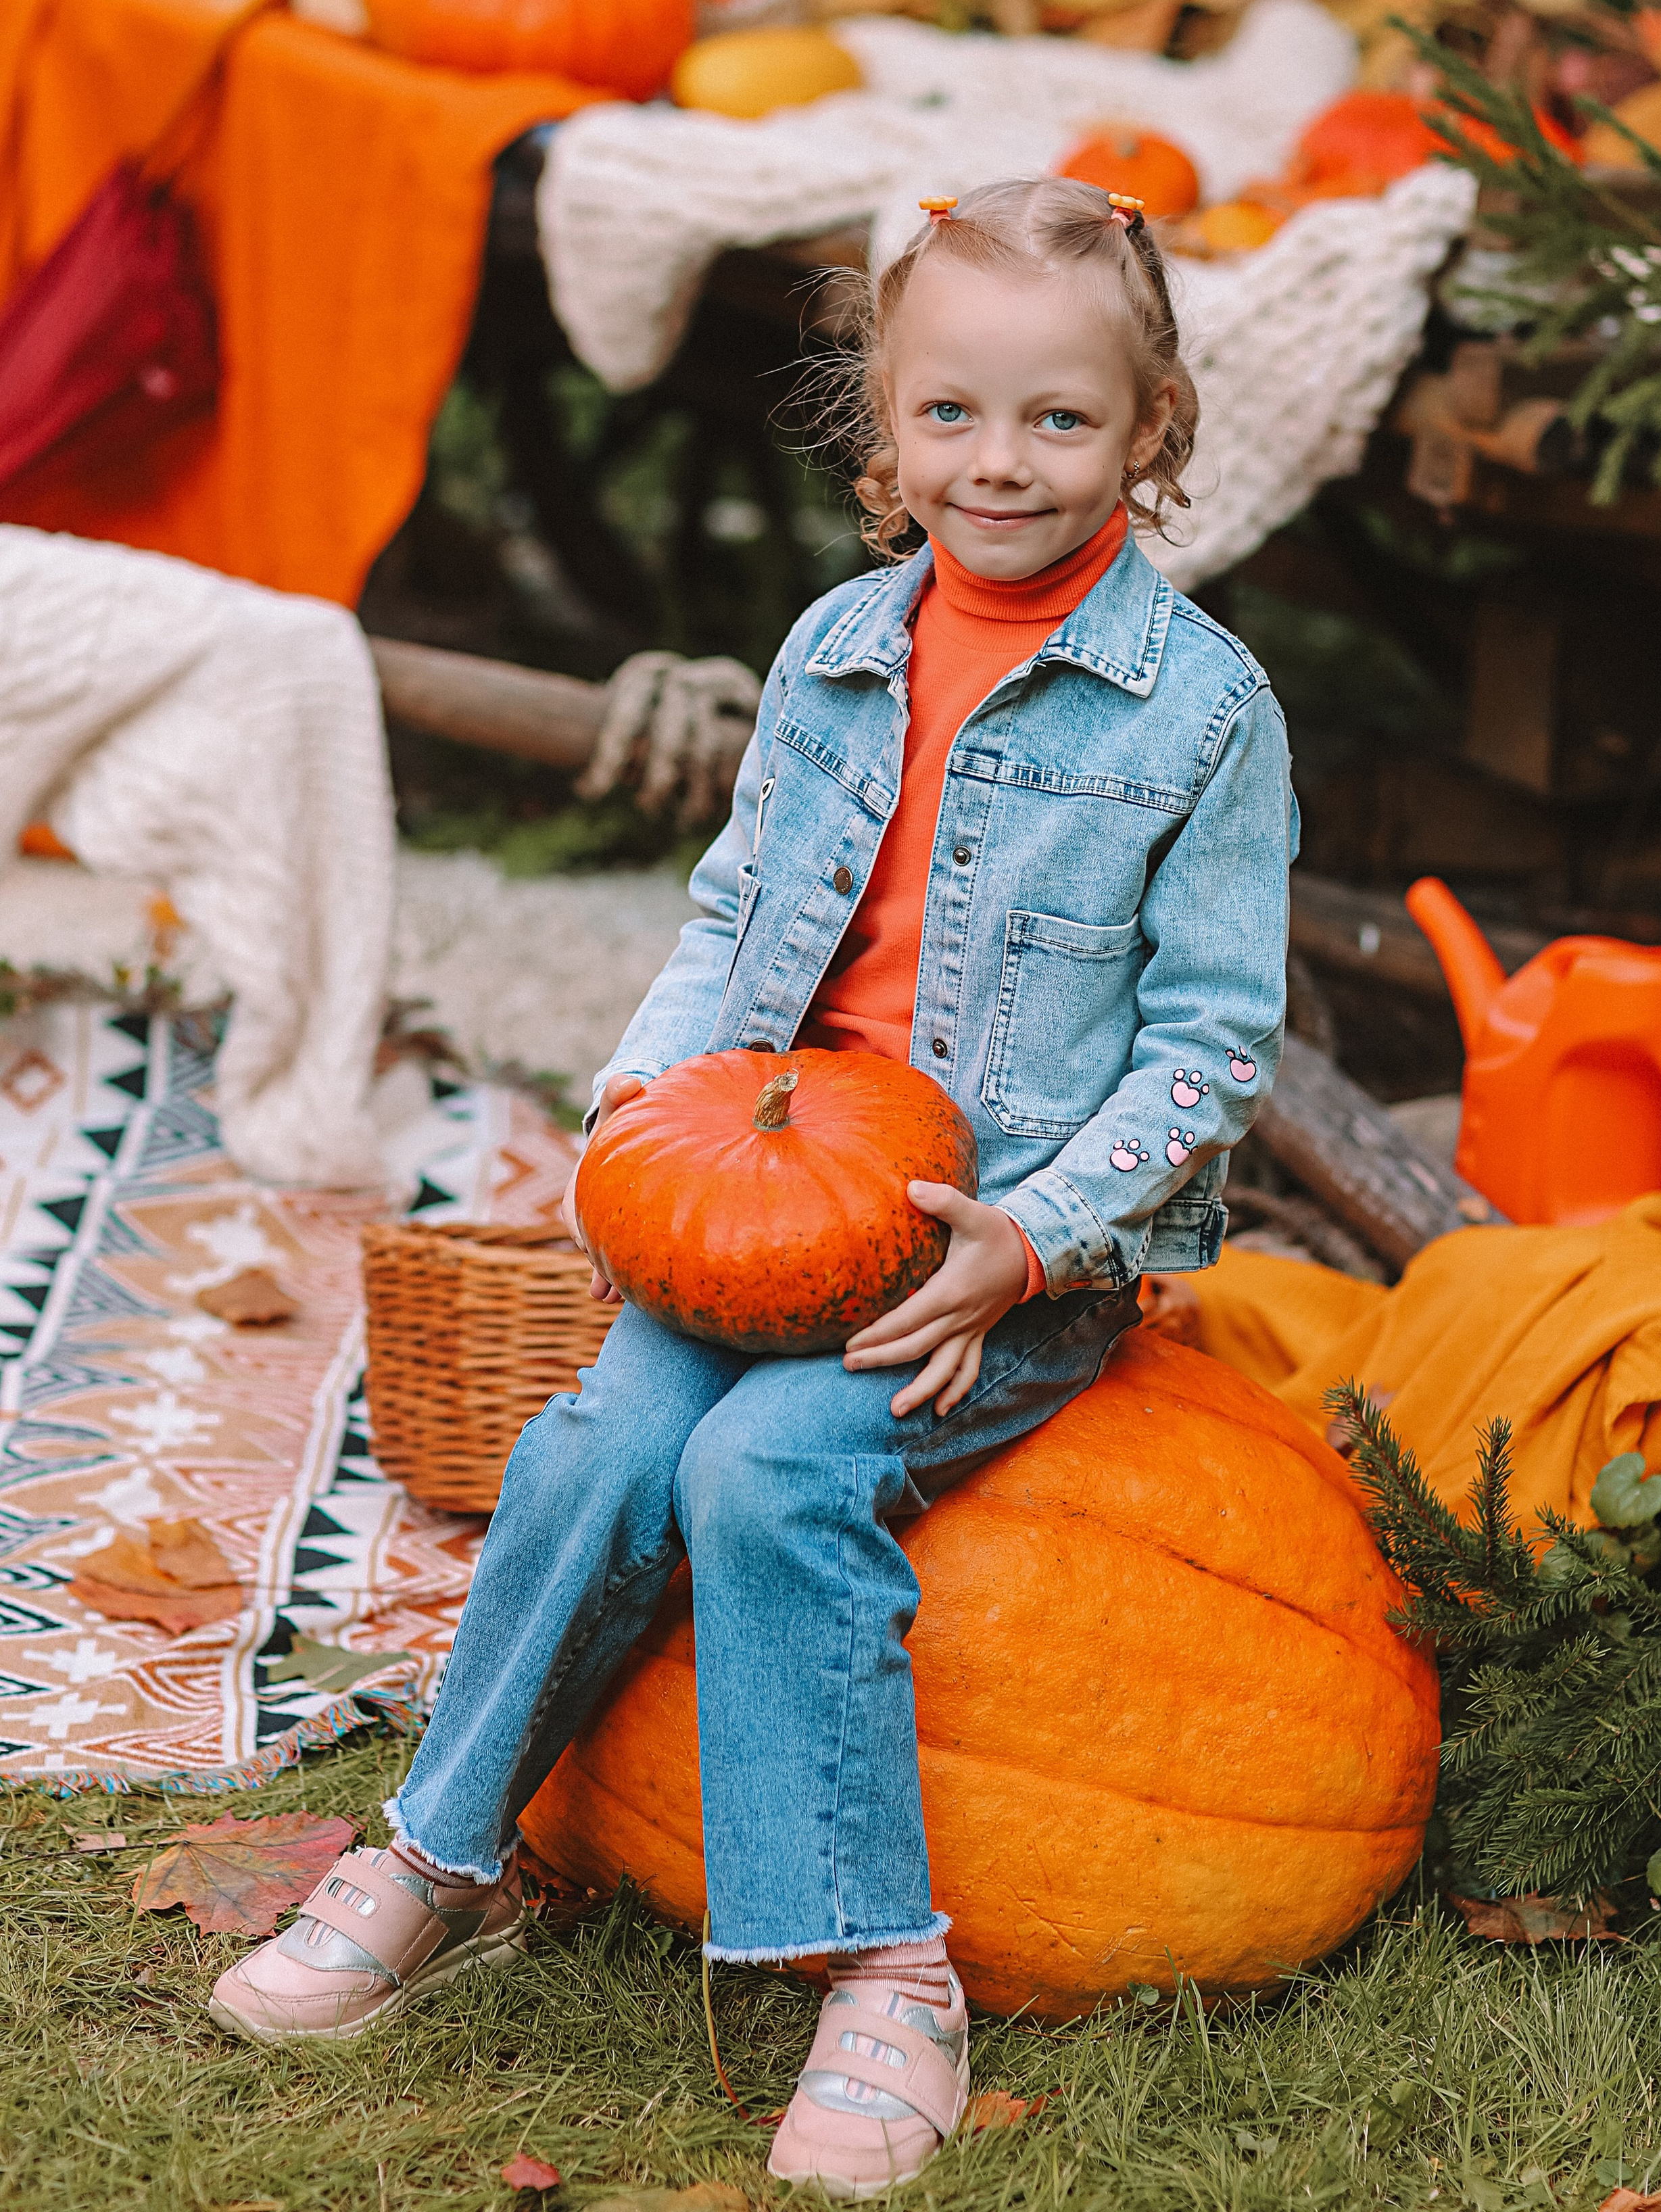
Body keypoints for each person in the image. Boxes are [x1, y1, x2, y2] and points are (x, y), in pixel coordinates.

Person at [211, 177, 1295, 2193]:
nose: (1004, 463)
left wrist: (1036, 1237)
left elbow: (1215, 1047)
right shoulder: (835, 652)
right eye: (954, 416)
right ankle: (437, 1854)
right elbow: (734, 925)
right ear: (885, 435)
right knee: (594, 1453)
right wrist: (643, 1113)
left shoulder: (1204, 715)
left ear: (1153, 430)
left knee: (767, 1473)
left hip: (995, 1255)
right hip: (767, 1203)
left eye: (1062, 420)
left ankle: (884, 1967)